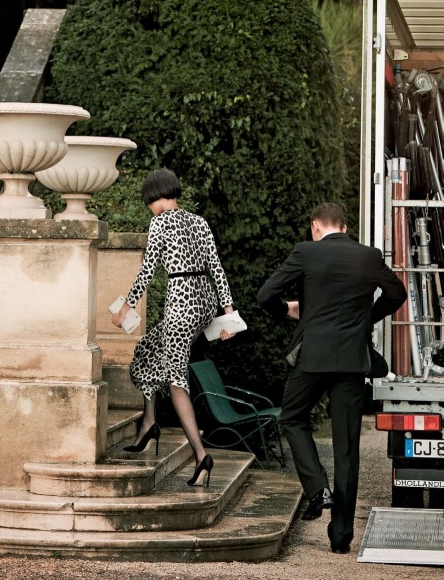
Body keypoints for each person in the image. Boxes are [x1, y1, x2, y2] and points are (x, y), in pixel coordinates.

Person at [256, 202, 407, 554]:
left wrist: (291, 310)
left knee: (292, 418)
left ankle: (316, 488)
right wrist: (367, 317)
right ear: (343, 226)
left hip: (312, 358)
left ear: (315, 226)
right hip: (353, 360)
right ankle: (340, 539)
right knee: (348, 450)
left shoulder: (306, 252)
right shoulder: (368, 256)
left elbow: (266, 295)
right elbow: (396, 294)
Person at [111, 168, 236, 487]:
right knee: (145, 352)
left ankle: (201, 456)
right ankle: (150, 424)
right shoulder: (199, 221)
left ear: (154, 196)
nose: (149, 208)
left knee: (177, 380)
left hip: (181, 305)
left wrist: (126, 306)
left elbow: (148, 270)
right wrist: (229, 314)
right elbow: (216, 267)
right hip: (204, 303)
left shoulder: (159, 222)